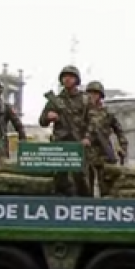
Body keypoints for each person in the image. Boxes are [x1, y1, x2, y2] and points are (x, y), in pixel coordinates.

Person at [38, 65, 90, 197]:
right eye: (65, 77)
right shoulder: (55, 100)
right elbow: (42, 121)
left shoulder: (85, 99)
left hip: (78, 144)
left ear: (76, 80)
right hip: (60, 145)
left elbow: (93, 121)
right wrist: (48, 117)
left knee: (81, 178)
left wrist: (87, 137)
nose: (67, 79)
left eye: (71, 77)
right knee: (59, 178)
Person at [84, 81, 127, 197]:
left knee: (106, 187)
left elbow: (120, 131)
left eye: (95, 94)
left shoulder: (107, 113)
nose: (91, 96)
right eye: (89, 93)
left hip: (104, 154)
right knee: (85, 187)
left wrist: (122, 147)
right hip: (86, 154)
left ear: (100, 96)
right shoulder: (82, 112)